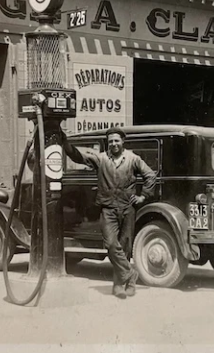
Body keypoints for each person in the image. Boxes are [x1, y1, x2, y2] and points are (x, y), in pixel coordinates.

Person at [61, 126, 156, 299]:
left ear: (123, 142)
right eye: (110, 141)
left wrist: (143, 196)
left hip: (128, 208)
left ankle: (121, 286)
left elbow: (150, 175)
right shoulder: (101, 159)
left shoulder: (133, 159)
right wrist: (65, 142)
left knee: (125, 246)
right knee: (111, 245)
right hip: (108, 208)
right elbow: (79, 157)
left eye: (116, 141)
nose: (113, 144)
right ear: (108, 143)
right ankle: (130, 275)